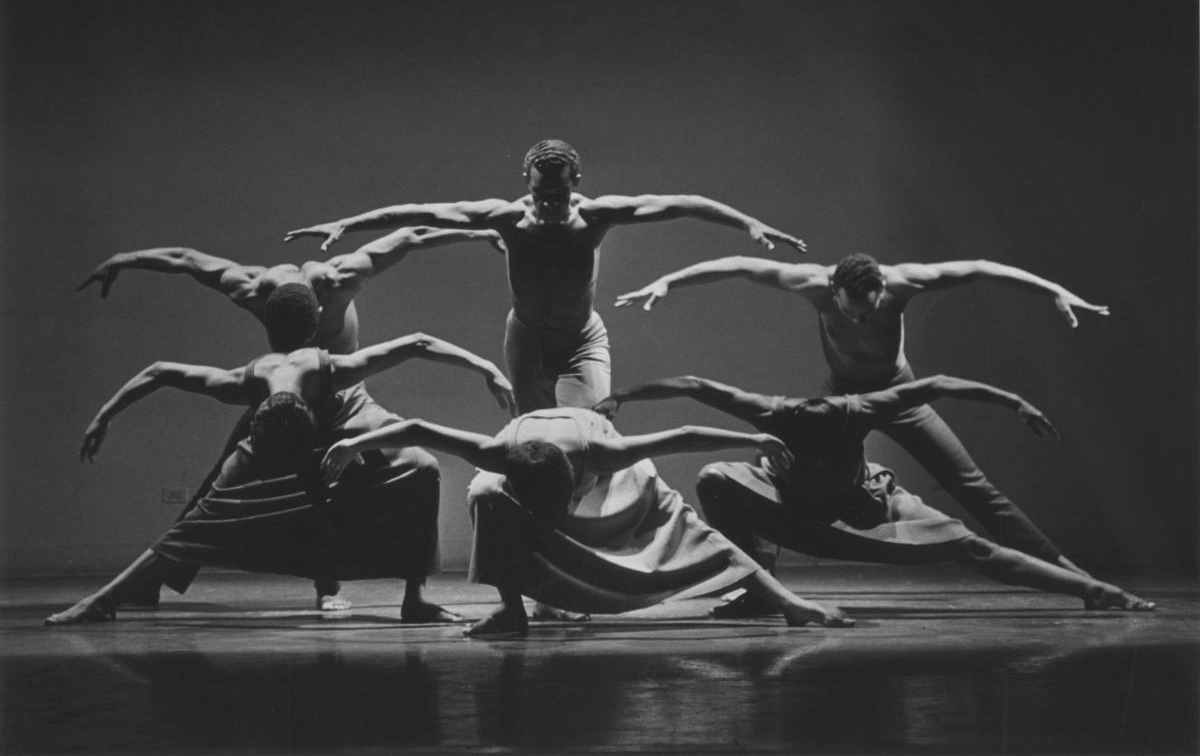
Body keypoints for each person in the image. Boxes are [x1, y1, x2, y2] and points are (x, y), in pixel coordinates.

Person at [76, 225, 502, 610]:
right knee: (218, 489)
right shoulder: (253, 288)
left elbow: (412, 236)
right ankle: (153, 578)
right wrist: (123, 260)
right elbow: (185, 260)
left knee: (418, 468)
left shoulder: (340, 280)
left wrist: (479, 232)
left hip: (344, 399)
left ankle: (388, 594)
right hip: (284, 400)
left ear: (319, 313)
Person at [615, 252, 1110, 576]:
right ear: (833, 290)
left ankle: (1064, 569)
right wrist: (667, 281)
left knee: (971, 485)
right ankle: (757, 567)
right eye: (849, 311)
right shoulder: (811, 285)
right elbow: (740, 264)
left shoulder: (903, 283)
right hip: (842, 403)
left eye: (868, 312)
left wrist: (1052, 289)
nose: (858, 319)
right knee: (794, 479)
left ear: (882, 292)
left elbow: (981, 268)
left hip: (898, 395)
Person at [284, 139, 807, 414]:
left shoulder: (597, 216)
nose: (549, 202)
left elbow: (680, 203)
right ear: (528, 183)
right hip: (527, 337)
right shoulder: (509, 218)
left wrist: (748, 223)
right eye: (540, 192)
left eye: (558, 192)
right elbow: (424, 212)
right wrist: (349, 222)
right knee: (531, 437)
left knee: (588, 424)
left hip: (581, 337)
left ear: (575, 182)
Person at [45, 331, 516, 626]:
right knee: (209, 511)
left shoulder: (337, 377)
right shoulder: (245, 388)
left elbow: (417, 343)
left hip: (346, 428)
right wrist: (104, 416)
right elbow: (160, 371)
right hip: (278, 435)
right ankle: (104, 600)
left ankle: (416, 600)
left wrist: (487, 367)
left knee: (424, 469)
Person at [594, 374, 1155, 615]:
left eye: (824, 452)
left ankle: (1094, 590)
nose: (812, 455)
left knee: (972, 548)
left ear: (848, 435)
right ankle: (758, 585)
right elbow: (695, 386)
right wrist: (623, 396)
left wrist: (1014, 401)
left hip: (867, 511)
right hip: (795, 510)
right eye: (799, 451)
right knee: (716, 477)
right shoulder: (771, 413)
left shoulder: (861, 410)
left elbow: (938, 385)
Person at [320, 406, 854, 637]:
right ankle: (513, 613)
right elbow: (416, 427)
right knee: (481, 493)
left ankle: (789, 604)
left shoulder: (604, 452)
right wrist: (354, 443)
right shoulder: (497, 456)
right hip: (533, 465)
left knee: (684, 525)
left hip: (614, 483)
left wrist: (753, 439)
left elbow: (686, 435)